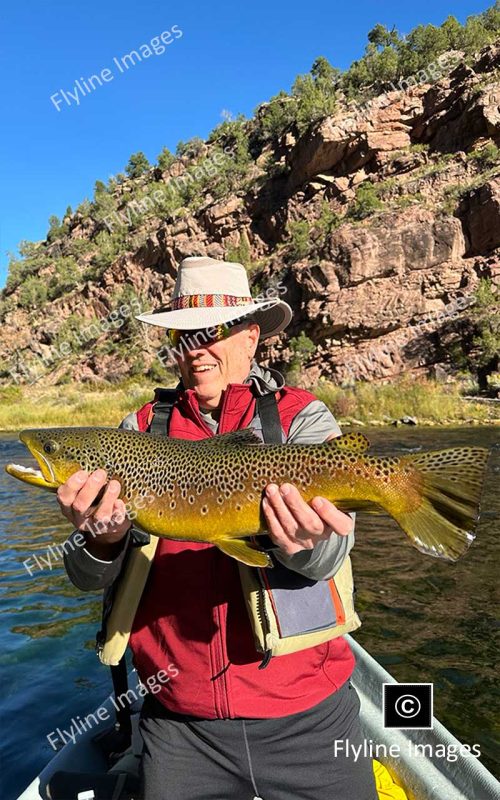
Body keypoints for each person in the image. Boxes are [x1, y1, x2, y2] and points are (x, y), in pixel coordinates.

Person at [62, 256, 377, 800]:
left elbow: (330, 555)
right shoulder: (134, 432)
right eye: (186, 335)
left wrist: (299, 545)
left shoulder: (304, 418)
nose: (198, 347)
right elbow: (86, 579)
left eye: (215, 332)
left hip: (308, 714)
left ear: (252, 338)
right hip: (180, 725)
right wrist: (101, 540)